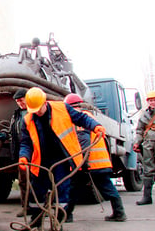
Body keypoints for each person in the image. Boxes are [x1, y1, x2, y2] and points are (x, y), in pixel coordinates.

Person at [18, 87, 106, 229]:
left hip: (61, 159)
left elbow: (81, 118)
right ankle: (36, 222)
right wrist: (23, 156)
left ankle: (58, 223)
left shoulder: (62, 108)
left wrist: (95, 126)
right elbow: (26, 143)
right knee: (37, 192)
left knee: (61, 191)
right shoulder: (28, 119)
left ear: (45, 102)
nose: (37, 112)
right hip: (40, 161)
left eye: (39, 108)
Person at [63, 93, 127, 222]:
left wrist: (83, 163)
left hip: (89, 163)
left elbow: (84, 141)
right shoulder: (89, 116)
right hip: (100, 163)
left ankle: (67, 215)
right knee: (107, 188)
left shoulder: (79, 119)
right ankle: (119, 213)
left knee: (72, 190)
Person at [10, 88, 31, 217]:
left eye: (21, 100)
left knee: (39, 181)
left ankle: (44, 206)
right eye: (18, 101)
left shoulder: (35, 111)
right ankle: (26, 207)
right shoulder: (16, 115)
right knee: (23, 181)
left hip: (36, 152)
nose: (20, 103)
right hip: (22, 152)